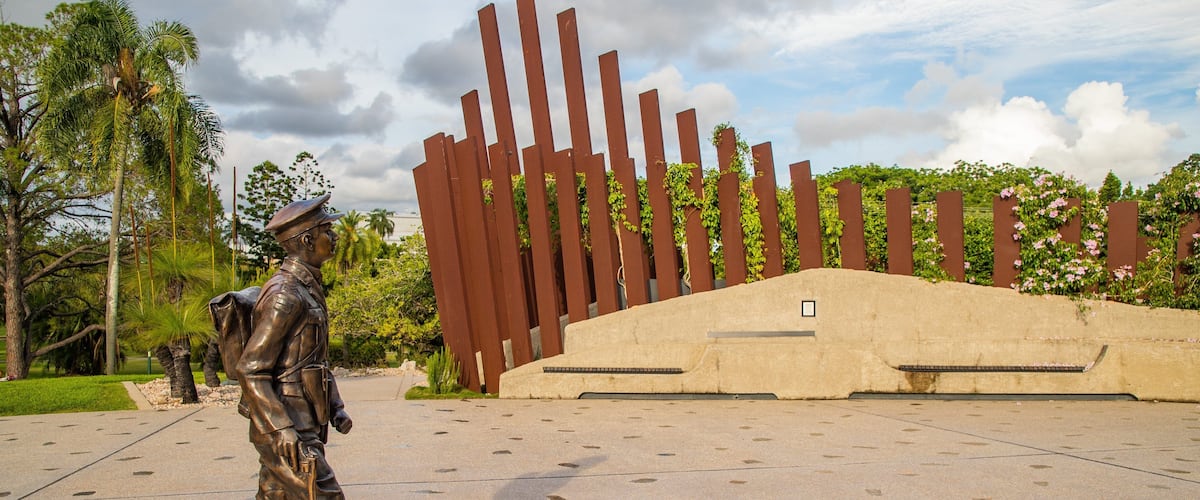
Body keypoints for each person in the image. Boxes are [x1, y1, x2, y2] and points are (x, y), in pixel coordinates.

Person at [237, 193, 352, 499]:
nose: (334, 236)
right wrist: (280, 428)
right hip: (288, 425)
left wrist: (335, 407)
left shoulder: (307, 288)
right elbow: (251, 369)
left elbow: (314, 360)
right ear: (307, 241)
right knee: (326, 495)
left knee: (275, 495)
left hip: (302, 420)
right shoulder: (285, 294)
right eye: (327, 230)